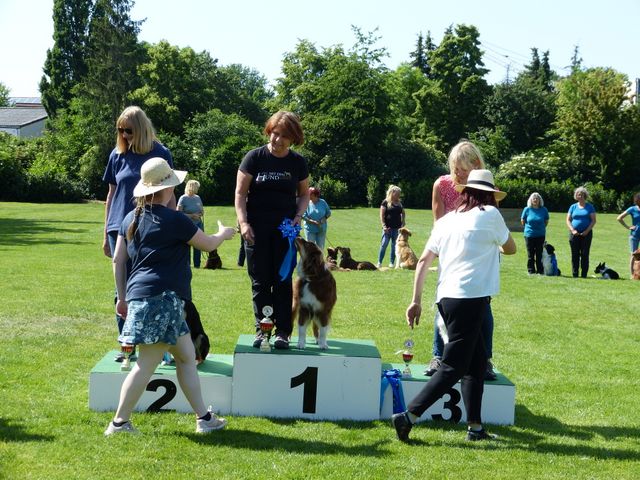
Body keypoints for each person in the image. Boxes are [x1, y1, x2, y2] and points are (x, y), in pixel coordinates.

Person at [105, 157, 236, 436]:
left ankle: (204, 419)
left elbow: (118, 260)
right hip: (163, 300)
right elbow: (208, 244)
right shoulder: (175, 220)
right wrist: (224, 233)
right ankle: (119, 423)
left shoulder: (130, 218)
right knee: (145, 365)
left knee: (187, 358)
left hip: (149, 298)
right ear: (166, 189)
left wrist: (122, 298)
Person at [391, 169, 516, 443]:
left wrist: (415, 301)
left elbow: (423, 261)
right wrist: (492, 245)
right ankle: (408, 416)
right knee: (453, 366)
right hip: (471, 298)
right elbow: (511, 248)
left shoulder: (446, 220)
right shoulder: (491, 214)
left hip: (446, 298)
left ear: (466, 192)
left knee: (477, 363)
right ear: (490, 196)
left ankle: (475, 428)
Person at [102, 106, 174, 361]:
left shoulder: (160, 153)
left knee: (150, 287)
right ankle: (127, 346)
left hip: (149, 227)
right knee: (121, 289)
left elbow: (170, 191)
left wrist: (172, 225)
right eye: (120, 130)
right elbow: (111, 194)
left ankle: (158, 349)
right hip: (119, 228)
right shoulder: (117, 154)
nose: (124, 135)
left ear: (142, 129)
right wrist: (106, 232)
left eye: (129, 130)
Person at [235, 111, 310, 350]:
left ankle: (282, 333)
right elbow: (240, 194)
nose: (278, 140)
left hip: (285, 231)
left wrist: (298, 217)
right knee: (260, 282)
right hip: (255, 230)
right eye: (275, 133)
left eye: (284, 136)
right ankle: (262, 330)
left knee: (282, 281)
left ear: (294, 138)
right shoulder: (254, 158)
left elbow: (304, 194)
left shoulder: (297, 162)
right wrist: (243, 223)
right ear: (269, 131)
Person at [426, 141, 497, 381]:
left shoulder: (486, 187)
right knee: (443, 302)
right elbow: (438, 223)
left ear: (476, 165)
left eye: (463, 169)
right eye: (454, 168)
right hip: (451, 254)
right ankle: (438, 355)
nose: (457, 174)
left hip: (480, 258)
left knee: (483, 306)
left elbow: (492, 224)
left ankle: (485, 360)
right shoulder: (442, 184)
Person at [566, 186, 596, 278]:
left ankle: (584, 274)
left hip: (586, 234)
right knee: (574, 254)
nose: (580, 196)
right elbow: (568, 220)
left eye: (582, 195)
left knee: (584, 254)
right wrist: (573, 230)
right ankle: (575, 274)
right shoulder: (573, 207)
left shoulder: (590, 207)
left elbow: (593, 221)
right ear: (576, 196)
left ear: (585, 196)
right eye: (578, 195)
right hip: (574, 234)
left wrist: (586, 231)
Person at [178, 180, 205, 268]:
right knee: (187, 245)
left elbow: (202, 210)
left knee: (198, 245)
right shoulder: (183, 198)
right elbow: (178, 213)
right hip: (187, 225)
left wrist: (200, 214)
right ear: (192, 187)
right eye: (197, 187)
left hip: (198, 224)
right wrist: (191, 216)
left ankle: (197, 265)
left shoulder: (197, 197)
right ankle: (187, 265)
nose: (198, 189)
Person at [521, 192, 549, 275]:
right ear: (531, 200)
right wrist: (529, 228)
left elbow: (546, 221)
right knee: (530, 254)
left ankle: (540, 270)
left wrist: (540, 228)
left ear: (540, 200)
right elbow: (523, 221)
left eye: (537, 198)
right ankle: (531, 270)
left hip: (540, 235)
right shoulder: (527, 209)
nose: (535, 200)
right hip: (529, 235)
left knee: (539, 253)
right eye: (534, 198)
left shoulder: (544, 209)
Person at [377, 185, 405, 268]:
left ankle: (391, 262)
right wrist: (384, 226)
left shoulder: (399, 203)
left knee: (394, 246)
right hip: (387, 229)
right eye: (397, 193)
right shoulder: (385, 202)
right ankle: (379, 262)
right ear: (392, 193)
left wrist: (403, 221)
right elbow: (381, 215)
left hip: (397, 228)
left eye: (399, 194)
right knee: (384, 244)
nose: (399, 195)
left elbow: (403, 212)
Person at [616, 192, 640, 276]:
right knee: (633, 255)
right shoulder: (632, 209)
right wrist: (628, 227)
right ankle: (632, 275)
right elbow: (619, 218)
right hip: (634, 235)